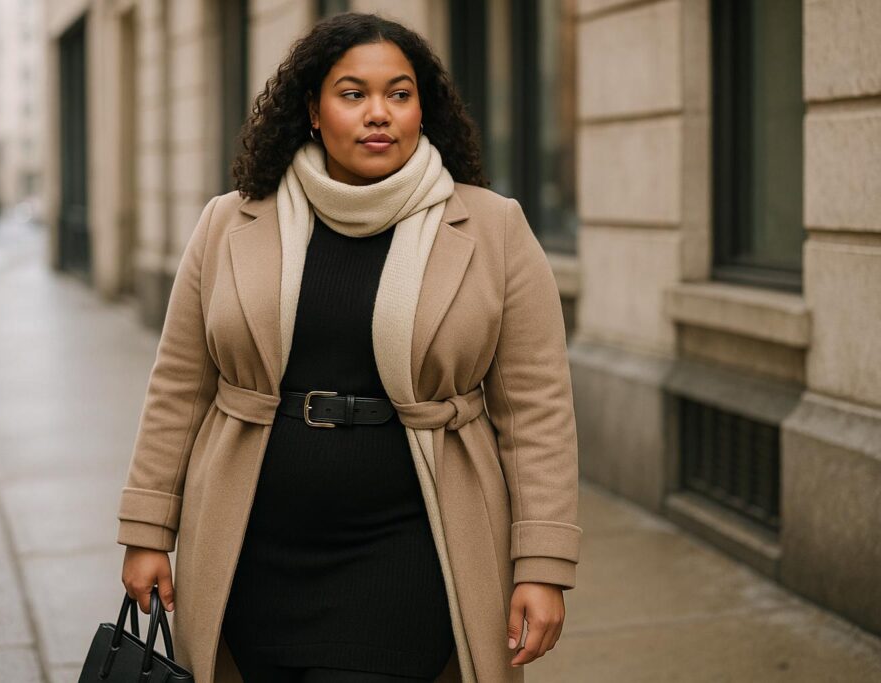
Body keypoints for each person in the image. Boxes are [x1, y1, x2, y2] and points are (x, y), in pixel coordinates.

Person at [117, 12, 581, 683]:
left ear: (424, 109)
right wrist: (147, 530)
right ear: (311, 109)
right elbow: (179, 388)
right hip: (252, 548)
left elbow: (537, 409)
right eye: (353, 93)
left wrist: (543, 564)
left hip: (412, 545)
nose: (379, 114)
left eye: (399, 93)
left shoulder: (492, 226)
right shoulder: (229, 221)